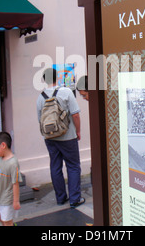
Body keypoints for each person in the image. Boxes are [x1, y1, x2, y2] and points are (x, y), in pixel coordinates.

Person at [36, 68, 85, 208]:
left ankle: (60, 198)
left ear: (45, 80)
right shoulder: (66, 92)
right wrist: (78, 131)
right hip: (68, 136)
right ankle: (75, 199)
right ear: (57, 77)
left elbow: (40, 120)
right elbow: (75, 114)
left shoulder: (40, 97)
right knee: (73, 166)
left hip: (50, 138)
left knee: (55, 166)